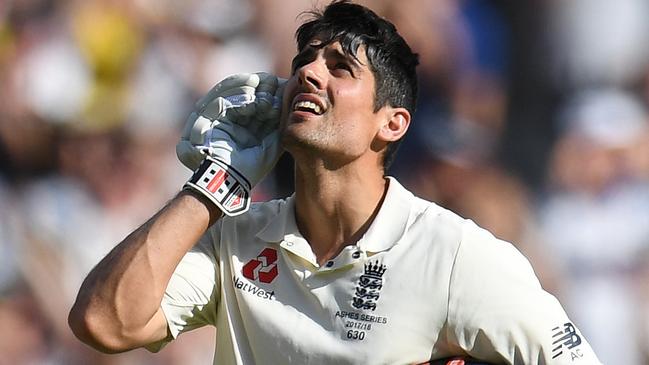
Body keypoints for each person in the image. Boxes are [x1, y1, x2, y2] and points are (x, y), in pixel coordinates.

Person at [68, 1, 601, 364]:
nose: (309, 73)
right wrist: (216, 184)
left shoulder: (455, 254)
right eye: (304, 60)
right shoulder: (237, 237)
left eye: (340, 67)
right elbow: (105, 322)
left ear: (392, 122)